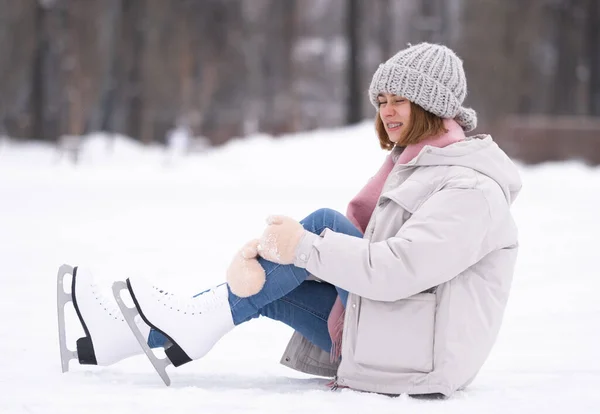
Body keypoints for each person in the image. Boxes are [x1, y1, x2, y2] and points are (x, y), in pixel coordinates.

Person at [64, 42, 521, 397]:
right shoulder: (415, 164)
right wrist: (300, 254)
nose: (386, 111)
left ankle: (190, 323)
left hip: (422, 357)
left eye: (399, 99)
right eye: (381, 100)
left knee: (321, 225)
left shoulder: (470, 188)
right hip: (398, 335)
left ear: (432, 106)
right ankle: (126, 337)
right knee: (275, 289)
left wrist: (303, 247)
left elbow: (398, 270)